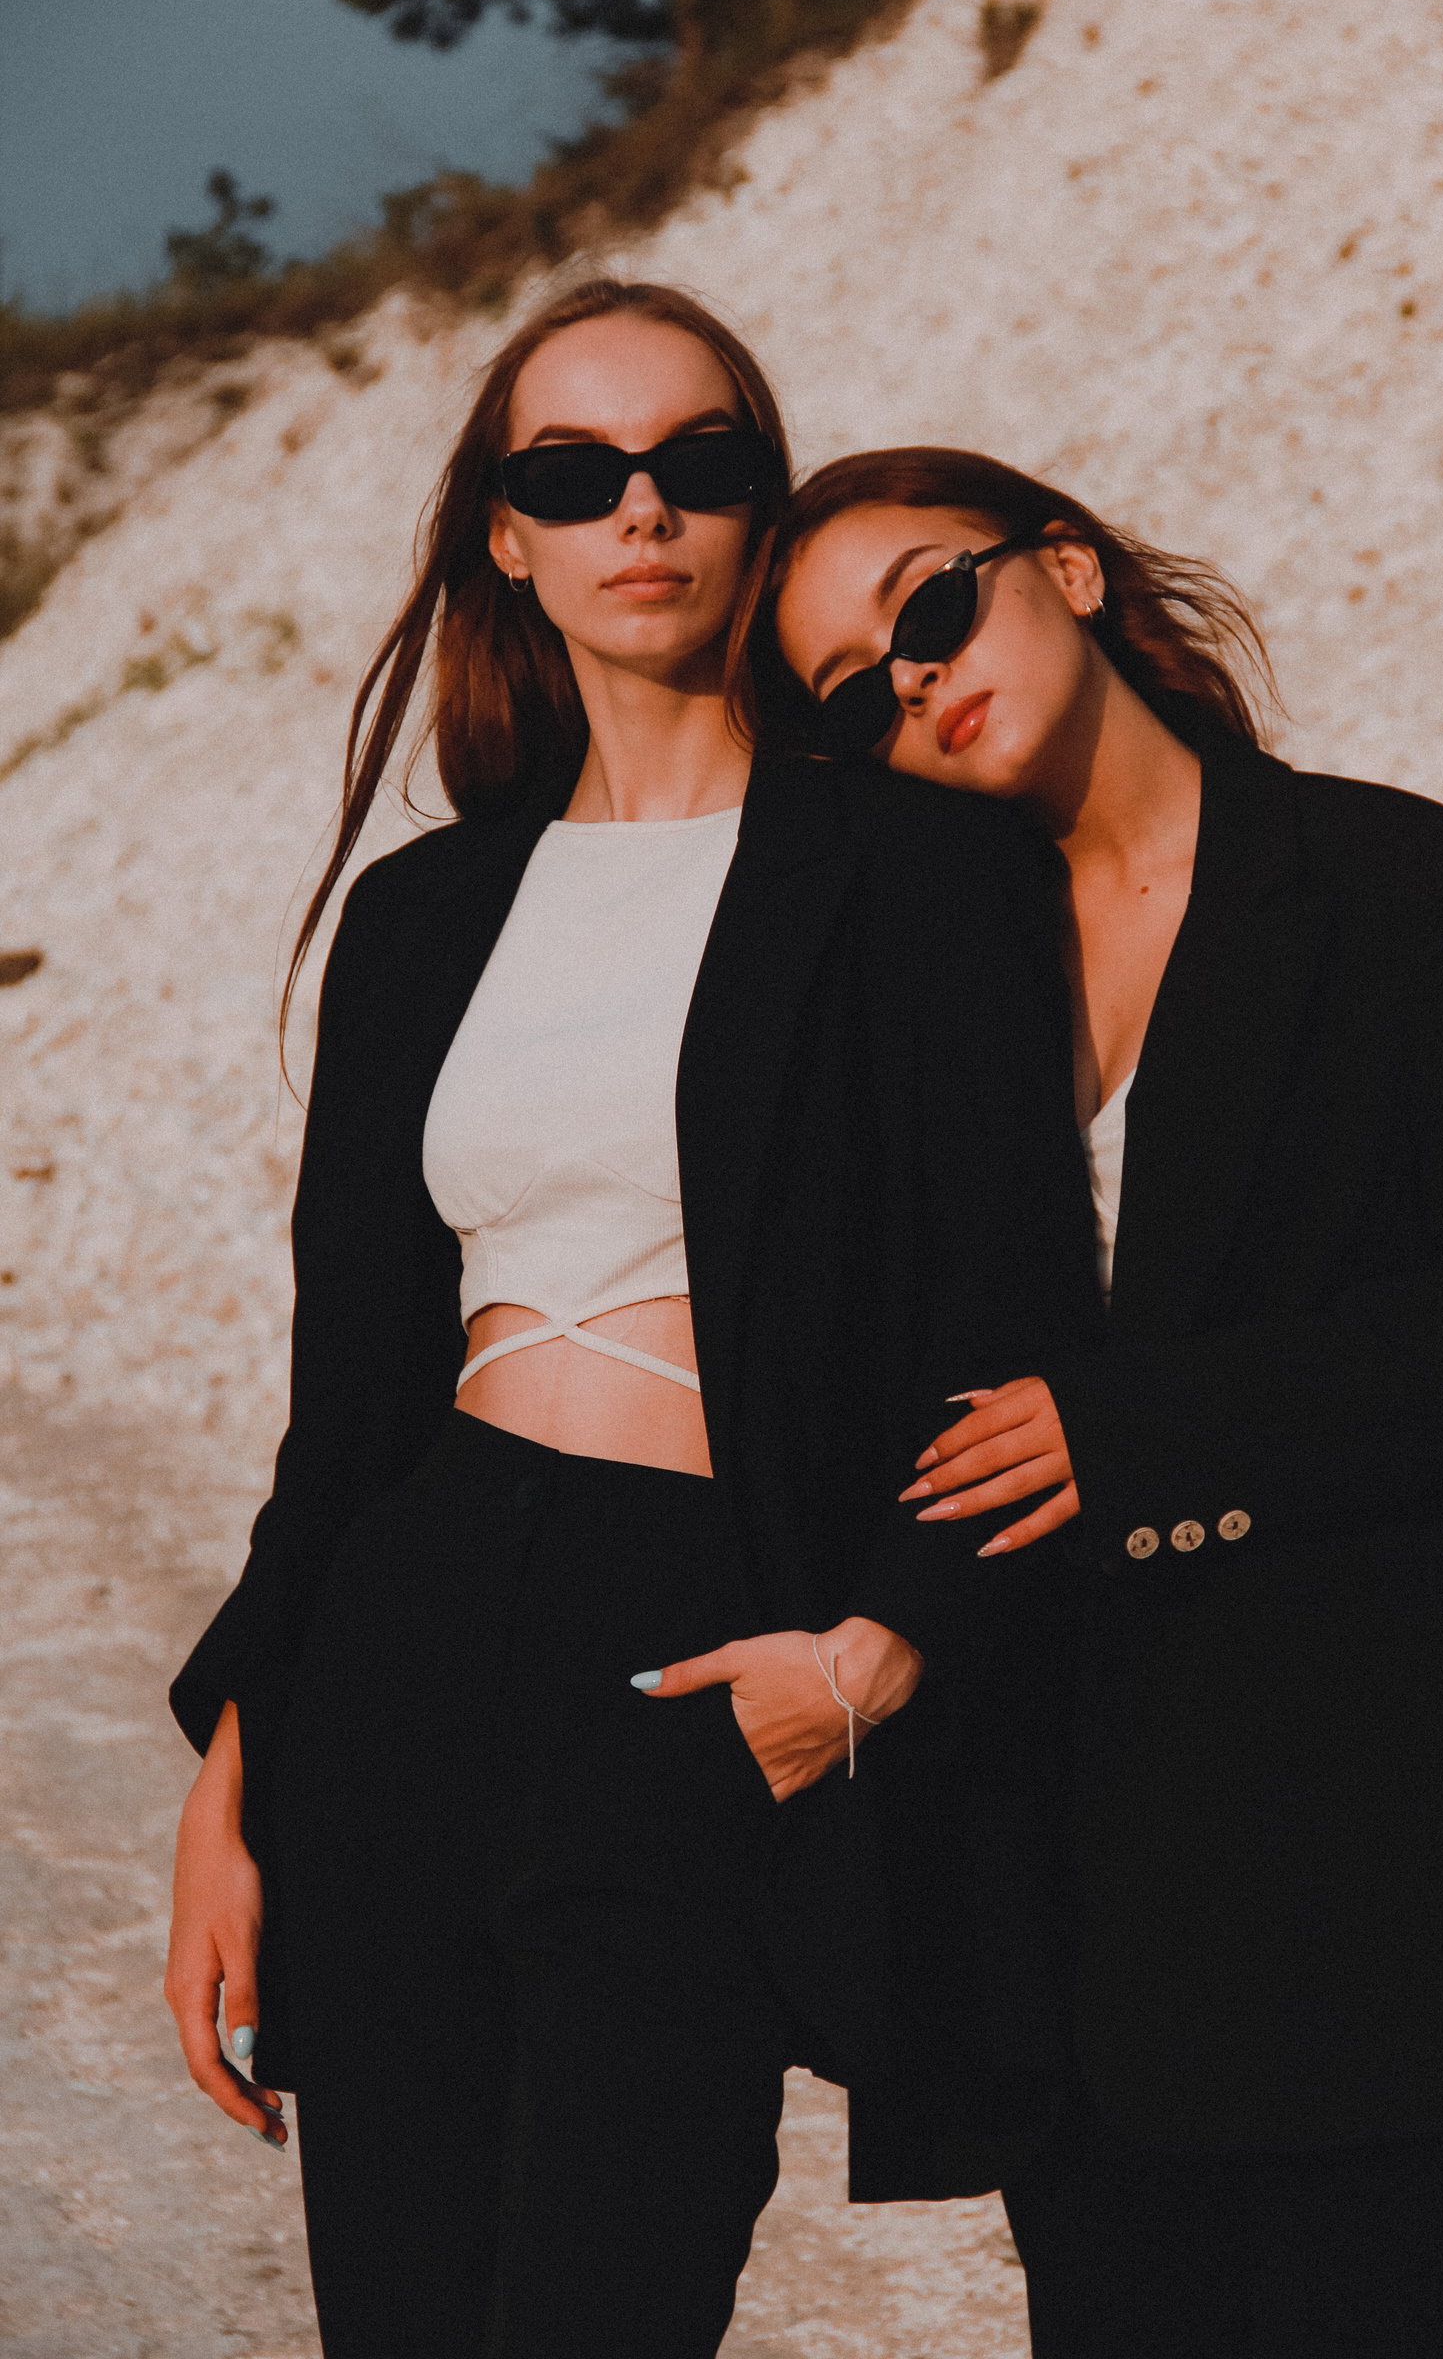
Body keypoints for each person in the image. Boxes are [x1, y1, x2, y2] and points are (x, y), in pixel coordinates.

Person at [163, 306, 1103, 2359]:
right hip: (403, 1650)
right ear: (506, 538)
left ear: (761, 503)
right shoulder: (426, 917)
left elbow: (1016, 1321)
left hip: (698, 1649)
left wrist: (870, 1659)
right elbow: (349, 1408)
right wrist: (235, 1774)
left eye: (693, 462)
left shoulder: (919, 875)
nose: (640, 509)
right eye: (570, 476)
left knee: (606, 2303)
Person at [753, 444, 1443, 2359]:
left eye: (928, 607)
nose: (908, 679)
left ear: (1065, 570)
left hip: (1357, 1803)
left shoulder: (1392, 880)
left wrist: (1149, 1428)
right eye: (848, 689)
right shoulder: (926, 985)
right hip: (1053, 1838)